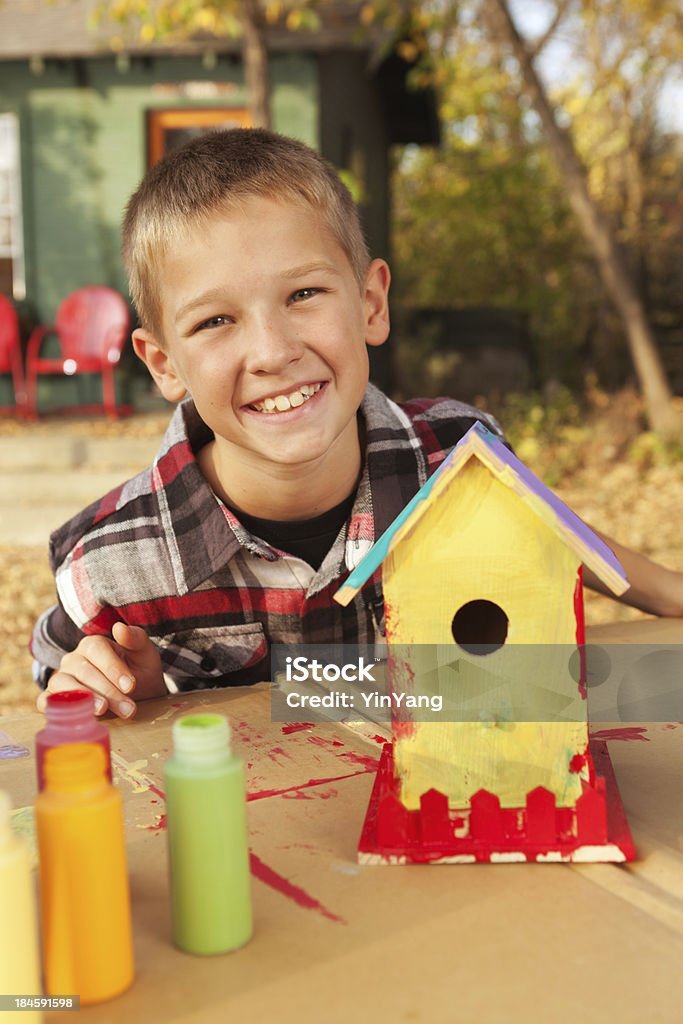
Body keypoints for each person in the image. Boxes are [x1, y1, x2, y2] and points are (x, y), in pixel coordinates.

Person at [31, 128, 683, 720]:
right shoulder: (111, 567)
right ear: (164, 363)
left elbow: (545, 528)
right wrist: (112, 689)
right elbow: (64, 697)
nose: (273, 351)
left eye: (303, 294)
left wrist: (664, 591)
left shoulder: (455, 455)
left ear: (370, 303)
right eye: (215, 321)